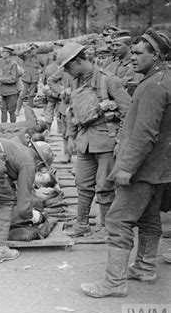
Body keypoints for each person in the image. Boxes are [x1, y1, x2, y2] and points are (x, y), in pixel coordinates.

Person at [81, 29, 170, 298]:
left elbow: (145, 133)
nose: (133, 58)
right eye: (132, 52)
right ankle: (144, 266)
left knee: (118, 220)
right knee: (149, 217)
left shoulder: (153, 87)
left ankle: (114, 283)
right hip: (161, 169)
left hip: (143, 169)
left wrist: (127, 168)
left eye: (139, 53)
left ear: (156, 55)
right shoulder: (162, 79)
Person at [57, 42, 131, 239]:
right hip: (84, 141)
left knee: (105, 185)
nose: (66, 71)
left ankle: (107, 228)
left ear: (79, 61)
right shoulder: (75, 82)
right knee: (82, 183)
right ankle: (82, 224)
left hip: (107, 140)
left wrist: (121, 142)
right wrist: (71, 136)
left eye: (67, 66)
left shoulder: (109, 81)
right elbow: (71, 110)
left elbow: (128, 112)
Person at [14, 43, 45, 115]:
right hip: (25, 78)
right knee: (22, 95)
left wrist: (41, 70)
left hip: (34, 78)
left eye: (35, 49)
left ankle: (29, 110)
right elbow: (18, 54)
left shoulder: (39, 58)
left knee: (31, 95)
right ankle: (17, 110)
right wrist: (27, 49)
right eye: (32, 49)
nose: (33, 50)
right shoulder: (26, 56)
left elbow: (44, 66)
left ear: (37, 50)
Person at [0, 45, 20, 124]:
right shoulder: (2, 63)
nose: (2, 54)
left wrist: (1, 79)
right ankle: (3, 128)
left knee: (11, 111)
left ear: (8, 54)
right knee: (3, 110)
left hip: (12, 92)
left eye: (3, 52)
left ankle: (13, 129)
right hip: (3, 92)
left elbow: (13, 79)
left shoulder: (13, 64)